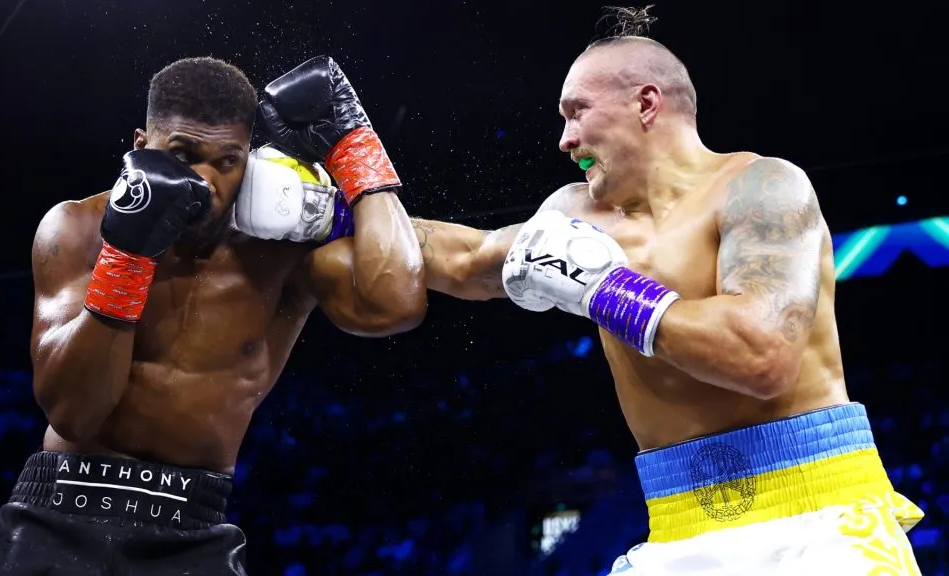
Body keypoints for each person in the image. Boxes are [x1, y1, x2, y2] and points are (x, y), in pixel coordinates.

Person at [316, 6, 924, 574]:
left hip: (820, 517)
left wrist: (604, 288)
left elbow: (761, 356)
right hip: (679, 527)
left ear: (647, 103)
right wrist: (333, 200)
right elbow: (465, 256)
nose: (564, 139)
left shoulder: (762, 187)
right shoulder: (575, 215)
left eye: (576, 111)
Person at [0, 55, 426, 575]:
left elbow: (397, 304)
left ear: (249, 161)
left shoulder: (279, 249)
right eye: (184, 154)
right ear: (141, 147)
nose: (208, 181)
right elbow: (74, 414)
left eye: (227, 162)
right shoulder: (77, 228)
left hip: (190, 530)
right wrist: (129, 254)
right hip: (60, 507)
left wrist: (355, 145)